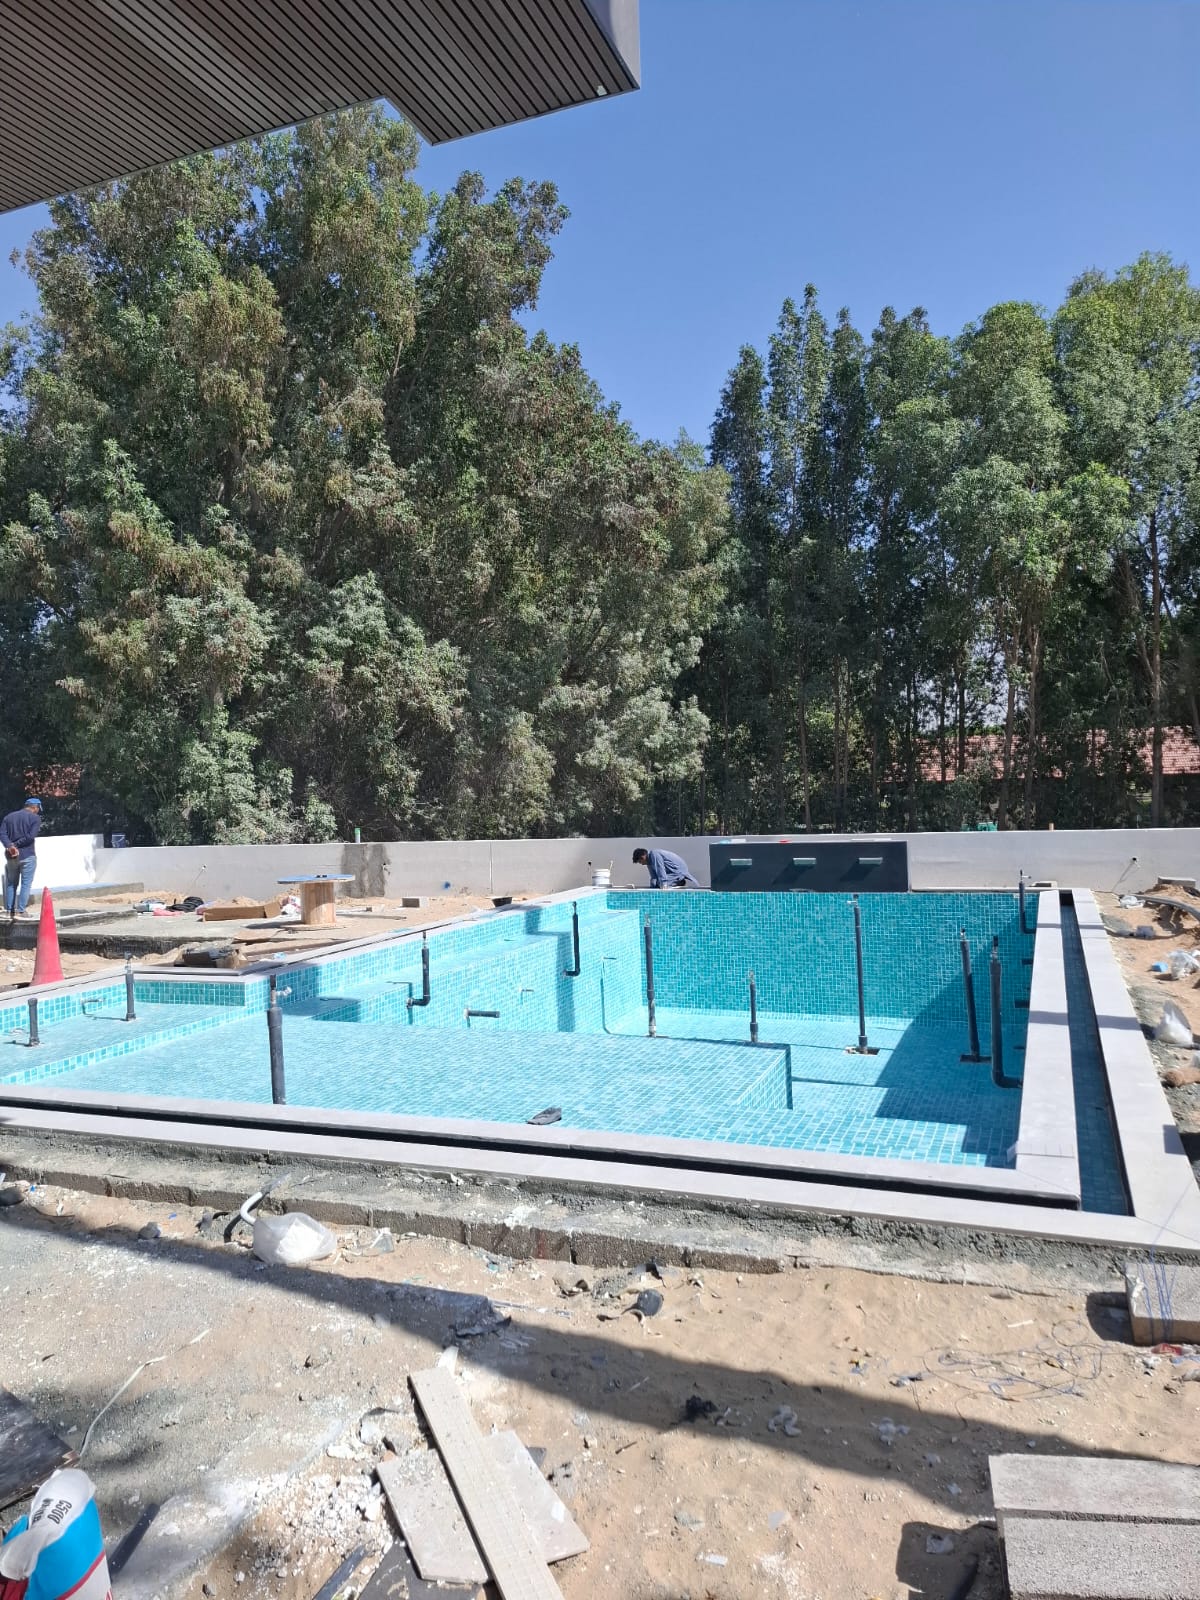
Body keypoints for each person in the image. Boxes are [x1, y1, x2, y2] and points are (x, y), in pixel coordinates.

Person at [1, 797, 43, 919]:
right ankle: (20, 911)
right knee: (26, 884)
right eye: (38, 808)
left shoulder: (8, 817)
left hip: (11, 856)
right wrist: (16, 845)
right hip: (27, 855)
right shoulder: (35, 818)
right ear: (34, 807)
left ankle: (9, 911)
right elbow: (30, 837)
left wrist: (10, 846)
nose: (38, 811)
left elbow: (2, 834)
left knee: (11, 883)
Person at [632, 845, 698, 889]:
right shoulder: (649, 862)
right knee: (657, 884)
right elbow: (653, 877)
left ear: (643, 857)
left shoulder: (654, 854)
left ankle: (679, 881)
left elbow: (660, 870)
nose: (641, 864)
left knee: (661, 884)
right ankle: (676, 881)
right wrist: (652, 888)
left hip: (678, 870)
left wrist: (664, 885)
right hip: (672, 872)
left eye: (640, 862)